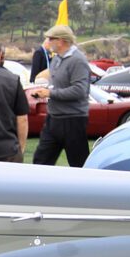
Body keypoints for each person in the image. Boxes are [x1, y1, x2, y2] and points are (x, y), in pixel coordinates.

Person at [30, 24, 91, 167]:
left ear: (61, 41)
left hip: (73, 120)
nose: (48, 42)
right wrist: (44, 92)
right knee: (40, 161)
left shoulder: (78, 60)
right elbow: (57, 86)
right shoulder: (57, 59)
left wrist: (51, 93)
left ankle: (85, 188)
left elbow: (79, 90)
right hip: (54, 118)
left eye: (51, 38)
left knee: (79, 163)